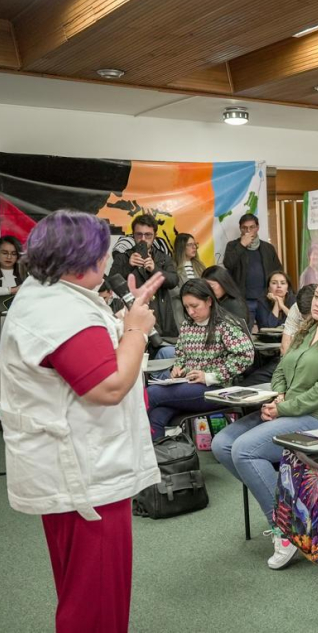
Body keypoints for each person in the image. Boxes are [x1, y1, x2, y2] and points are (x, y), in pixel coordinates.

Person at [0, 209, 165, 633]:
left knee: (81, 591)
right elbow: (108, 386)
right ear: (83, 259)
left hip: (70, 467)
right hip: (86, 475)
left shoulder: (47, 296)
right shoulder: (63, 312)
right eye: (103, 253)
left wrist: (129, 314)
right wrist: (137, 331)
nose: (108, 261)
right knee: (95, 606)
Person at [212, 271, 318, 569]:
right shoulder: (309, 329)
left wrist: (282, 409)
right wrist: (279, 396)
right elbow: (282, 368)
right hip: (291, 408)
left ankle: (286, 529)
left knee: (244, 450)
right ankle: (291, 514)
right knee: (222, 444)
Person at [146, 279, 255, 439]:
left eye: (194, 306)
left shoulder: (224, 324)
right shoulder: (187, 325)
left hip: (216, 389)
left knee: (151, 394)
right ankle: (162, 461)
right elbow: (181, 355)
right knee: (156, 416)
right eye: (186, 307)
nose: (190, 312)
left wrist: (210, 376)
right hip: (189, 387)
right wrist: (178, 369)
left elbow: (246, 355)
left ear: (209, 301)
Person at [111, 213, 179, 337]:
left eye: (148, 235)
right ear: (133, 235)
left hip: (161, 317)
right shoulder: (122, 257)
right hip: (132, 317)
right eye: (139, 234)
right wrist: (128, 265)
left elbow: (174, 281)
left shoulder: (164, 258)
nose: (143, 239)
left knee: (164, 353)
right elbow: (111, 282)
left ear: (155, 236)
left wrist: (155, 269)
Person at [223, 213, 283, 320]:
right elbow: (228, 264)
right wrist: (242, 245)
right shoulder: (232, 246)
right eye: (244, 228)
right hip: (243, 300)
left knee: (267, 331)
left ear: (257, 228)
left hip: (265, 299)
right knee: (245, 333)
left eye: (252, 227)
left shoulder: (267, 247)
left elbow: (278, 271)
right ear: (240, 229)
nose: (248, 231)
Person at [202, 265, 252, 331]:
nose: (208, 290)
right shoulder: (212, 301)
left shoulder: (235, 305)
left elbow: (237, 332)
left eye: (211, 286)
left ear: (223, 283)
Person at [281, 284, 316, 354]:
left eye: (312, 319)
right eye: (304, 318)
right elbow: (285, 346)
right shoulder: (295, 308)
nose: (309, 322)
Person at [0, 234, 26, 300]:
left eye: (14, 254)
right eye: (5, 253)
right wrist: (12, 290)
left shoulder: (25, 272)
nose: (9, 257)